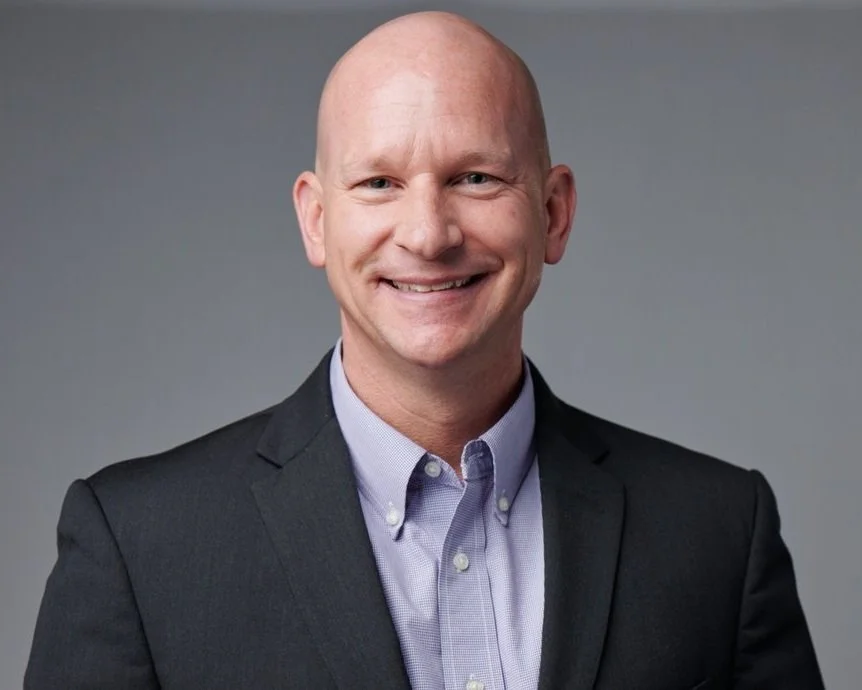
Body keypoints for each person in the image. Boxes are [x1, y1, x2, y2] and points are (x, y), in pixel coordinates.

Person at [25, 11, 824, 690]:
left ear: (554, 213)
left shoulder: (719, 532)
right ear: (315, 220)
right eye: (378, 183)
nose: (428, 233)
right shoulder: (137, 546)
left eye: (475, 178)